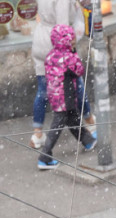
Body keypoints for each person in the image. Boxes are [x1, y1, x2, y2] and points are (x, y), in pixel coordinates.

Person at [30, 0, 93, 149]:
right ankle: (90, 120)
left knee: (42, 91)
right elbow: (63, 30)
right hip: (54, 47)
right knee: (77, 84)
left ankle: (37, 134)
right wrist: (72, 52)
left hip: (39, 41)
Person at [38, 24, 96, 169]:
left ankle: (88, 140)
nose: (74, 41)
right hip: (66, 96)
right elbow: (79, 70)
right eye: (72, 39)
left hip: (56, 96)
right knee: (58, 125)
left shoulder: (51, 55)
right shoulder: (69, 57)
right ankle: (44, 157)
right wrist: (74, 53)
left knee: (73, 118)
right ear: (66, 41)